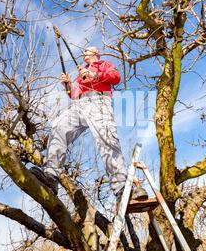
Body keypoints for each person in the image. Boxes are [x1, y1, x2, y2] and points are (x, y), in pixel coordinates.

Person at [31, 47, 148, 204]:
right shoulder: (82, 73)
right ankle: (51, 175)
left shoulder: (103, 64)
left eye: (87, 51)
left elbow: (116, 77)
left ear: (95, 53)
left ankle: (121, 188)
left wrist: (95, 75)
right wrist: (68, 85)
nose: (83, 53)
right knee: (59, 127)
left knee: (107, 140)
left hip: (99, 102)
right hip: (81, 104)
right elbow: (74, 95)